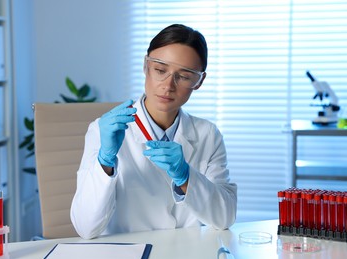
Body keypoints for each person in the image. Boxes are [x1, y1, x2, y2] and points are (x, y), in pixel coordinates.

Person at [70, 24, 237, 239]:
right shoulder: (102, 131)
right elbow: (85, 228)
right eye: (160, 70)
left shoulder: (208, 134)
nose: (168, 85)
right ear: (145, 66)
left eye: (184, 76)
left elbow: (225, 217)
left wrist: (186, 177)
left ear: (199, 81)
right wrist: (105, 162)